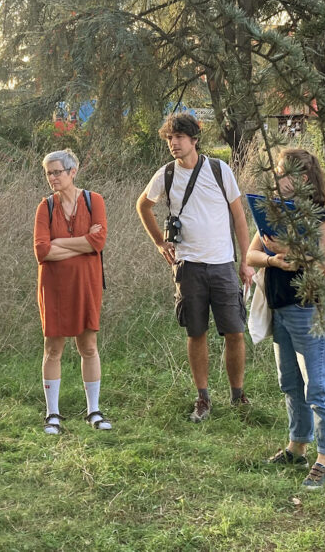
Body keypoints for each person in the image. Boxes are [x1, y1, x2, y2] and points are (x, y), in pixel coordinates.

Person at [136, 112, 253, 422]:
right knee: (196, 332)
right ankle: (202, 399)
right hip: (187, 266)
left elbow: (239, 217)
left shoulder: (219, 170)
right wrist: (160, 242)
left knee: (235, 332)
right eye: (170, 139)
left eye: (179, 137)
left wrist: (246, 261)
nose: (174, 143)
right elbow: (143, 205)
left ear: (194, 140)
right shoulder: (166, 175)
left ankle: (237, 396)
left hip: (223, 264)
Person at [246, 148, 325, 490]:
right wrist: (273, 261)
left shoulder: (319, 220)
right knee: (290, 382)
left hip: (313, 311)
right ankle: (297, 447)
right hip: (283, 311)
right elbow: (250, 254)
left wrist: (290, 253)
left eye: (281, 173)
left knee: (318, 386)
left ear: (302, 180)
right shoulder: (274, 214)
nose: (275, 178)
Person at [32, 149, 109, 434]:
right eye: (48, 173)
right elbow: (41, 250)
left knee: (88, 346)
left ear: (72, 171)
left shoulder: (94, 201)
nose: (52, 177)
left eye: (57, 172)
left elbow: (98, 242)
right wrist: (82, 242)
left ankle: (94, 411)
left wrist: (60, 244)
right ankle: (53, 414)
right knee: (53, 348)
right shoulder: (45, 207)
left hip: (86, 284)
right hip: (53, 286)